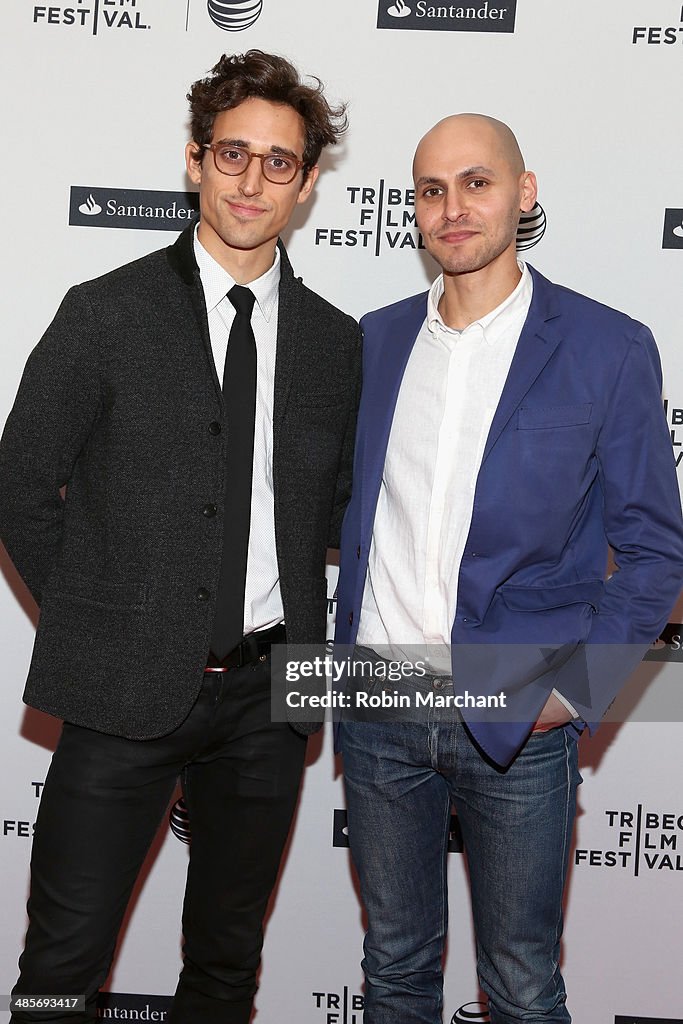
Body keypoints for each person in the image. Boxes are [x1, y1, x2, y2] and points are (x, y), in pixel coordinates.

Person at [0, 50, 360, 1024]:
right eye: (232, 154)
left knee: (224, 970)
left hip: (270, 699)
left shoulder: (337, 344)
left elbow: (338, 516)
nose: (252, 180)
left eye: (278, 162)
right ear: (194, 161)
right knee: (59, 970)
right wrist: (98, 616)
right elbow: (23, 486)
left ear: (307, 181)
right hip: (119, 690)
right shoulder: (103, 314)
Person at [334, 113, 683, 1023]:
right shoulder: (370, 343)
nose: (452, 208)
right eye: (430, 190)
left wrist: (573, 688)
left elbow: (654, 550)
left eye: (476, 183)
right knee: (394, 969)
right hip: (377, 703)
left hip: (517, 707)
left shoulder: (607, 348)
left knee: (523, 985)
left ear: (523, 193)